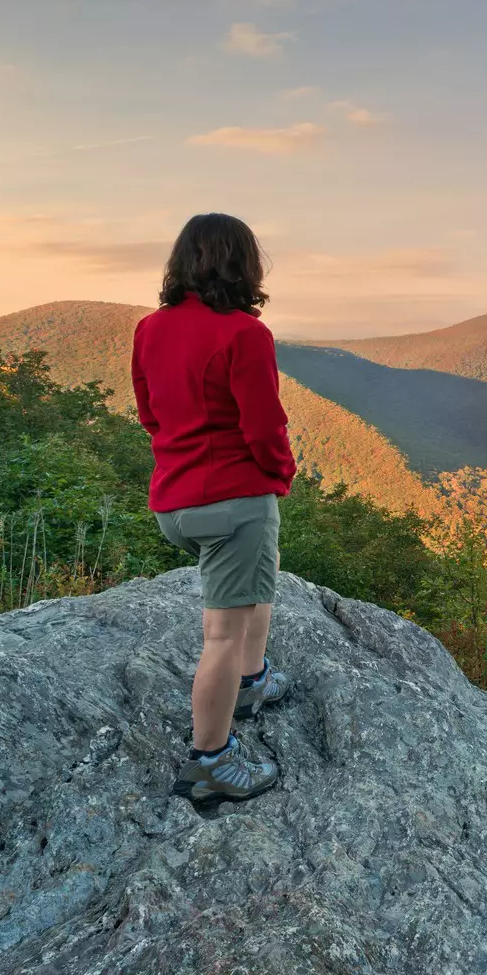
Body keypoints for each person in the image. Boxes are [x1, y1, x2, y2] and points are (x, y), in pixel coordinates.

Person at [132, 213, 298, 804]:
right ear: (243, 264)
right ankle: (210, 761)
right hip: (230, 500)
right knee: (221, 634)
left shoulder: (150, 329)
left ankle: (253, 681)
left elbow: (151, 413)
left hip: (175, 498)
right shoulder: (244, 335)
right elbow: (263, 426)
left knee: (256, 583)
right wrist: (281, 473)